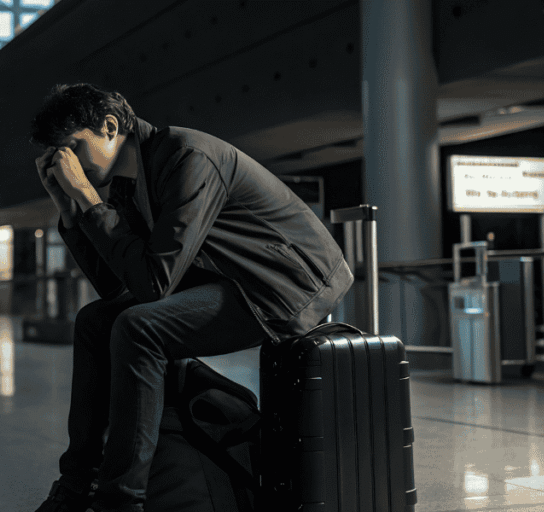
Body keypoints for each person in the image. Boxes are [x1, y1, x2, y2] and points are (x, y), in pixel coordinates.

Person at [29, 83, 353, 512]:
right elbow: (118, 286)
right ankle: (75, 487)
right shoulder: (129, 185)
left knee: (138, 327)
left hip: (282, 287)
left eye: (74, 148)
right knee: (96, 320)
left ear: (109, 127)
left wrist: (89, 199)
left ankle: (119, 502)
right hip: (230, 280)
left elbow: (153, 285)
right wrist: (70, 210)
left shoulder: (185, 156)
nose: (70, 167)